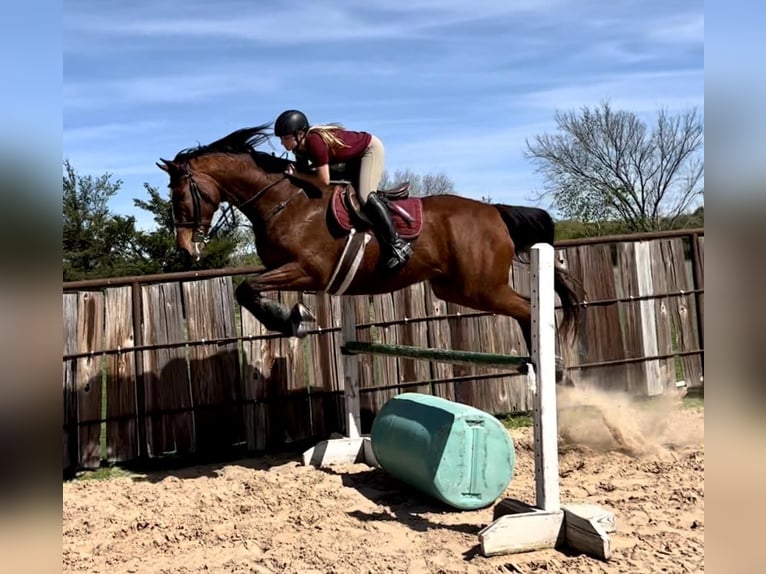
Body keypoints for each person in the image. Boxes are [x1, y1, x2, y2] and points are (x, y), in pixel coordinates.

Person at [273, 109, 412, 271]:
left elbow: (322, 180)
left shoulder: (314, 142)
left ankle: (397, 244)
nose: (282, 143)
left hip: (369, 149)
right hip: (350, 160)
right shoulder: (299, 150)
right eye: (281, 139)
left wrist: (296, 174)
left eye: (285, 138)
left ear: (299, 134)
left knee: (365, 196)